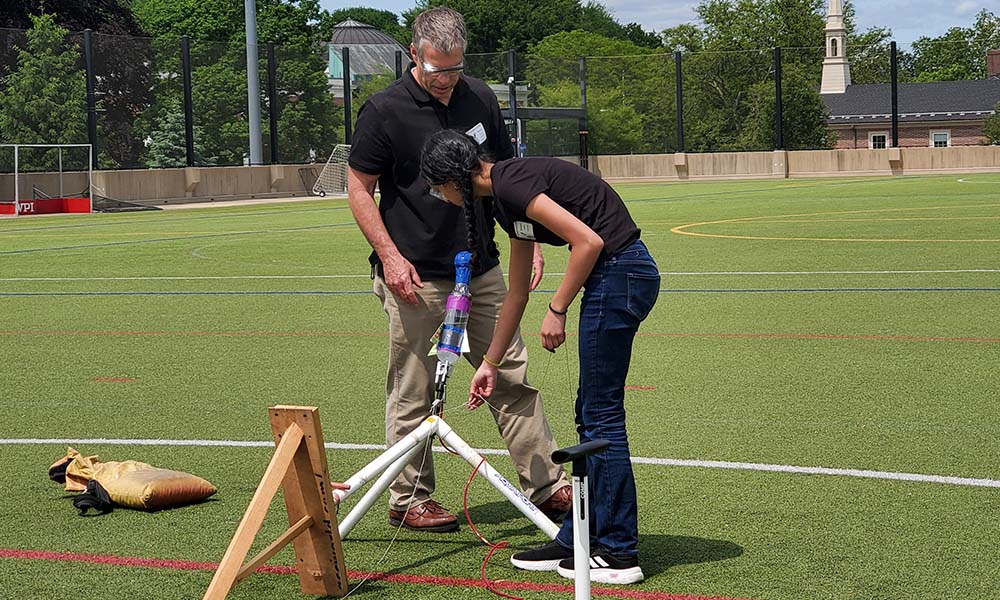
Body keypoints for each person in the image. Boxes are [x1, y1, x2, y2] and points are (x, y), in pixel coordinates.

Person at [346, 6, 571, 533]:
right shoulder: (383, 110)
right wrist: (391, 258)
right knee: (414, 386)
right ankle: (409, 498)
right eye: (436, 70)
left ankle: (547, 486)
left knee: (510, 376)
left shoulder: (480, 96)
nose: (447, 81)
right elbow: (360, 189)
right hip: (415, 274)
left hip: (485, 265)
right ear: (413, 57)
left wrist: (529, 241)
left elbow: (507, 175)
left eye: (454, 68)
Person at [420, 129, 660, 584]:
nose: (439, 196)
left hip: (622, 273)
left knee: (602, 416)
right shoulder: (505, 201)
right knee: (591, 414)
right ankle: (578, 538)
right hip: (616, 276)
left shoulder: (512, 180)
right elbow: (514, 294)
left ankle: (619, 551)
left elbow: (587, 242)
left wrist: (558, 308)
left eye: (436, 187)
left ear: (452, 178)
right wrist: (489, 362)